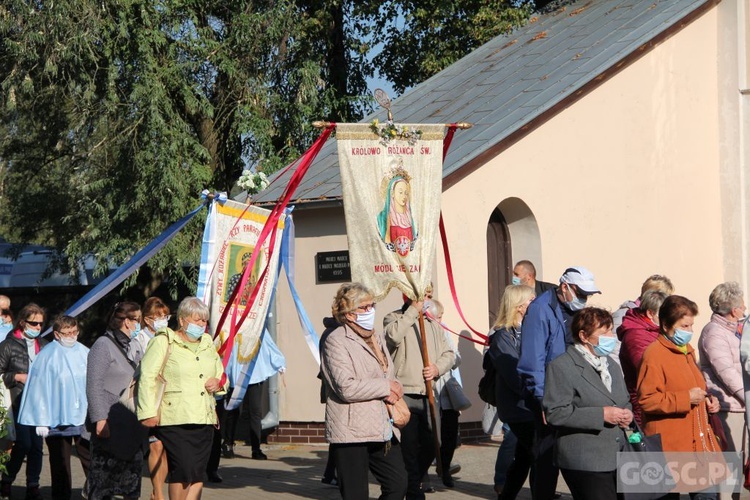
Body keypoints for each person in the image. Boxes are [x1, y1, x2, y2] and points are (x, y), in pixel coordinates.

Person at [517, 266, 600, 500]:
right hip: (549, 395)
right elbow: (533, 360)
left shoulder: (576, 311)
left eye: (588, 295)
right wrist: (543, 399)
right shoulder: (540, 310)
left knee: (574, 450)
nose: (584, 299)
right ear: (565, 287)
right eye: (580, 293)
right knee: (546, 457)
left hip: (573, 391)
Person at [320, 283, 407, 499]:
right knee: (356, 494)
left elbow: (388, 373)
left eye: (372, 305)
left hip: (381, 425)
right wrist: (385, 387)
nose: (371, 311)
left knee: (398, 484)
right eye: (364, 307)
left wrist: (395, 387)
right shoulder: (335, 341)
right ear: (349, 314)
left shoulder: (375, 337)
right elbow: (346, 387)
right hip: (351, 431)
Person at [138, 297, 226, 500]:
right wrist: (147, 413)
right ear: (183, 319)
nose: (202, 325)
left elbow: (221, 376)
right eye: (197, 321)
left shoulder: (207, 344)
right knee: (184, 471)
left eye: (204, 321)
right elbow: (147, 378)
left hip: (204, 418)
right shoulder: (163, 341)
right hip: (175, 418)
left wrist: (218, 383)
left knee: (197, 474)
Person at [543, 307, 632, 500]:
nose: (611, 336)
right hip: (585, 459)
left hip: (618, 455)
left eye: (611, 330)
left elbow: (624, 400)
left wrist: (628, 414)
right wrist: (601, 415)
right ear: (584, 336)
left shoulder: (611, 365)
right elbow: (556, 413)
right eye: (604, 332)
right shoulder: (561, 366)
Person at [638, 295, 721, 498]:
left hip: (698, 441)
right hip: (670, 444)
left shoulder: (687, 351)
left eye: (691, 326)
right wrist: (685, 399)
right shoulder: (654, 355)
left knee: (708, 494)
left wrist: (709, 400)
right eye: (684, 326)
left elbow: (694, 387)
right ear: (666, 325)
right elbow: (647, 400)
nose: (690, 332)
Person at [384, 289, 455, 500]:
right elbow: (393, 337)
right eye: (423, 294)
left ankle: (413, 481)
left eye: (429, 294)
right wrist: (412, 312)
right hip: (405, 393)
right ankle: (414, 491)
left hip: (428, 394)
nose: (427, 299)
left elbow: (449, 354)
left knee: (434, 444)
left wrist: (437, 368)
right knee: (409, 448)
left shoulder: (432, 324)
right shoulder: (395, 317)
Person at [17, 315, 89, 500]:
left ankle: (97, 493)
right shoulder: (46, 356)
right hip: (55, 419)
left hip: (83, 417)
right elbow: (37, 389)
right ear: (57, 334)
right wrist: (40, 420)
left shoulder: (85, 352)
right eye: (67, 333)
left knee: (91, 460)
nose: (72, 336)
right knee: (60, 465)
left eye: (75, 332)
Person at [86, 301, 146, 500]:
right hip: (109, 424)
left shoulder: (134, 345)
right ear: (127, 322)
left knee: (131, 485)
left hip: (130, 423)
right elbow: (94, 384)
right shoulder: (103, 345)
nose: (140, 325)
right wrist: (100, 419)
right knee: (103, 485)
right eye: (138, 320)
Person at [487, 284, 535, 500]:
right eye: (531, 302)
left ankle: (506, 496)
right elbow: (514, 375)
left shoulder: (528, 330)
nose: (535, 306)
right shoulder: (502, 337)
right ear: (519, 306)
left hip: (530, 405)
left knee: (525, 457)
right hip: (518, 408)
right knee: (538, 455)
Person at [0, 303, 50, 500]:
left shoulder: (45, 345)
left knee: (37, 445)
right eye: (33, 323)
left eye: (40, 323)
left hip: (39, 402)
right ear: (22, 322)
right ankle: (7, 479)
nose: (38, 327)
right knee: (23, 443)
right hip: (16, 401)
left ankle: (33, 485)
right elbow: (1, 373)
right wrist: (18, 377)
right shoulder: (7, 345)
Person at [699, 282, 746, 455]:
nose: (745, 308)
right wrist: (747, 396)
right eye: (742, 306)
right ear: (734, 311)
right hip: (729, 408)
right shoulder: (714, 333)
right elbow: (726, 372)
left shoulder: (736, 330)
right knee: (734, 464)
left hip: (741, 405)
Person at [426, 299, 463, 488]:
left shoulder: (444, 329)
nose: (441, 319)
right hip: (429, 390)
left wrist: (442, 363)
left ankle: (445, 468)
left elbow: (455, 357)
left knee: (449, 433)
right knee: (429, 435)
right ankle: (423, 474)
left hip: (446, 390)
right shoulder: (422, 329)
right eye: (438, 316)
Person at [138, 297, 172, 499]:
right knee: (155, 445)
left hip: (167, 397)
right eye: (158, 317)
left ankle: (156, 489)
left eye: (166, 316)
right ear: (148, 319)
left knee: (166, 447)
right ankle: (158, 493)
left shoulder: (169, 336)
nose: (163, 320)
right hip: (150, 399)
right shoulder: (140, 339)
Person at [617, 289, 667, 425]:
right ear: (651, 313)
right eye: (664, 314)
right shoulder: (636, 335)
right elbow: (646, 369)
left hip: (662, 400)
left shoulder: (658, 331)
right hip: (645, 405)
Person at [377, 174, 417, 257]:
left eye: (406, 193)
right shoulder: (385, 217)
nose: (404, 196)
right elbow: (386, 242)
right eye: (400, 192)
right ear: (392, 193)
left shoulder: (410, 219)